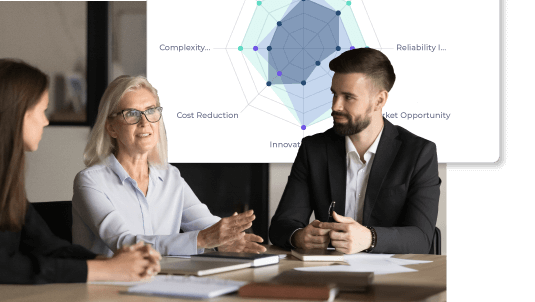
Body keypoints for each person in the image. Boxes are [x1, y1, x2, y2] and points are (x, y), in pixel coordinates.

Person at [0, 59, 161, 287]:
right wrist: (105, 269)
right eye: (42, 110)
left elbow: (48, 246)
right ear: (18, 114)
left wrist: (115, 262)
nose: (46, 121)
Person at [269, 48, 441, 254]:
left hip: (391, 278)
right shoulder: (313, 149)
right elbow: (281, 225)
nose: (336, 106)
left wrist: (370, 238)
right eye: (334, 94)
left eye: (348, 97)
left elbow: (421, 238)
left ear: (379, 100)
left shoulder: (419, 153)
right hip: (326, 273)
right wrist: (299, 236)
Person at [72, 75, 266, 257]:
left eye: (150, 111)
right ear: (111, 127)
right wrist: (204, 239)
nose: (144, 122)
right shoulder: (90, 181)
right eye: (131, 114)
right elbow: (125, 243)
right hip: (108, 288)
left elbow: (206, 225)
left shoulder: (170, 176)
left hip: (166, 280)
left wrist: (229, 237)